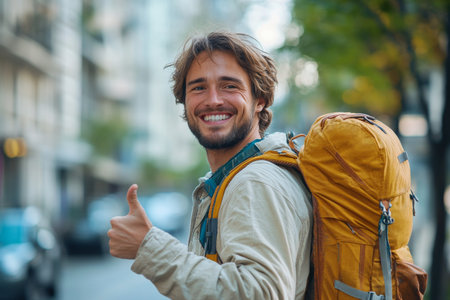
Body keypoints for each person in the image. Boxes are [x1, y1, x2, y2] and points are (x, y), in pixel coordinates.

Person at [108, 31, 312, 299]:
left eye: (229, 86)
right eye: (198, 87)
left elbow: (262, 293)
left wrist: (149, 247)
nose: (213, 100)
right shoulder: (236, 177)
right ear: (185, 101)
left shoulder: (256, 181)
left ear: (259, 100)